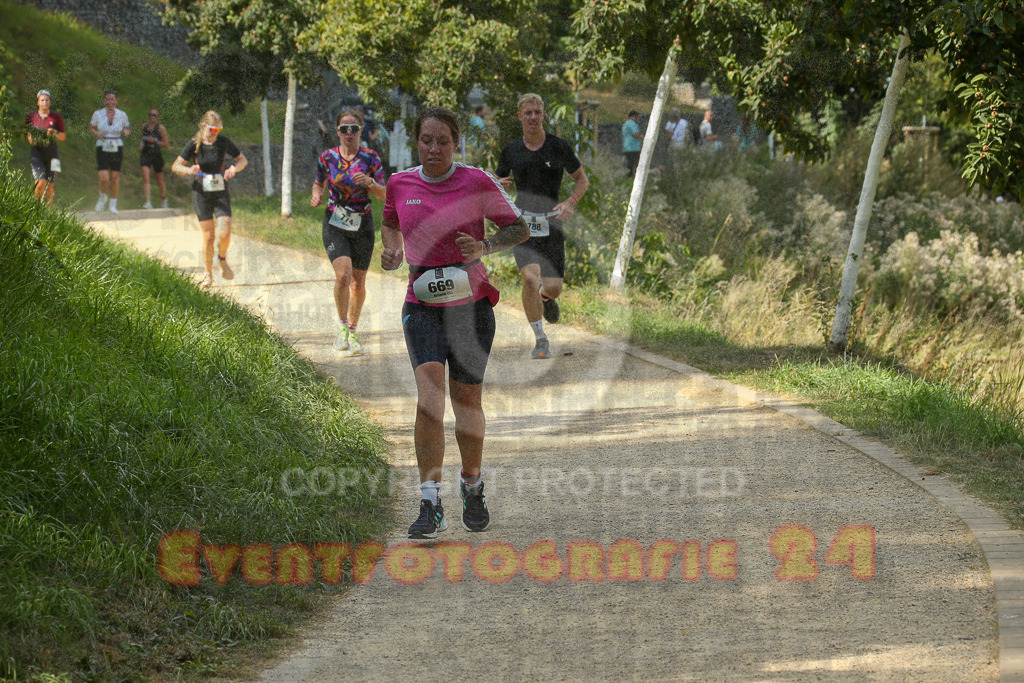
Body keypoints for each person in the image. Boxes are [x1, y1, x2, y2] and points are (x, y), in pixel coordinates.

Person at [380, 106, 528, 539]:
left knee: (467, 402)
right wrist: (390, 251)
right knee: (429, 398)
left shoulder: (476, 181)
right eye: (426, 140)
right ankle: (429, 502)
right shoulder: (399, 183)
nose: (433, 149)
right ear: (416, 142)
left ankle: (473, 485)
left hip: (472, 307)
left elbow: (519, 229)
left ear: (456, 142)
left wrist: (484, 246)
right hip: (421, 303)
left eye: (442, 141)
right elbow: (389, 224)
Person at [495, 93, 589, 360]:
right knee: (529, 278)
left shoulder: (558, 147)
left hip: (552, 223)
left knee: (553, 287)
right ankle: (540, 339)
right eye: (528, 113)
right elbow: (497, 182)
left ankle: (547, 300)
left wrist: (570, 202)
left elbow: (582, 180)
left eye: (538, 112)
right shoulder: (511, 149)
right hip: (522, 223)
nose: (533, 117)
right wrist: (497, 185)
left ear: (544, 114)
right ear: (520, 116)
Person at [310, 109, 387, 356]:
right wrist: (316, 193)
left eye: (354, 128)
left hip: (362, 223)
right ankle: (342, 327)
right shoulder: (328, 157)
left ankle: (353, 330)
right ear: (337, 131)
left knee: (358, 281)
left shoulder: (370, 157)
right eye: (345, 129)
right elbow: (318, 181)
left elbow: (384, 193)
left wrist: (371, 183)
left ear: (361, 129)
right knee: (343, 275)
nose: (349, 133)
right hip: (335, 222)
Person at [171, 111, 247, 288]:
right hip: (201, 193)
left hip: (220, 190)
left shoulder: (224, 142)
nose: (215, 133)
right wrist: (189, 170)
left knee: (225, 231)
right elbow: (176, 165)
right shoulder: (194, 145)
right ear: (204, 127)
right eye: (213, 129)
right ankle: (208, 274)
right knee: (209, 236)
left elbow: (242, 160)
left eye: (218, 130)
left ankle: (222, 259)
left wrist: (234, 169)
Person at [89, 90, 131, 214]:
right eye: (108, 99)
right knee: (104, 177)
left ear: (116, 101)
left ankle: (113, 205)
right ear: (104, 101)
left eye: (112, 99)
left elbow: (127, 128)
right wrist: (97, 133)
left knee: (114, 177)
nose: (110, 101)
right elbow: (91, 128)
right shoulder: (97, 114)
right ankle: (102, 198)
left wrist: (126, 132)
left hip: (117, 145)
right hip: (102, 145)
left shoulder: (122, 114)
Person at [25, 89, 66, 205]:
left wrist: (55, 133)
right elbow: (29, 138)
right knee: (40, 183)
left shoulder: (56, 117)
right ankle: (36, 209)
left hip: (53, 156)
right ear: (38, 102)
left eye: (47, 100)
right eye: (42, 100)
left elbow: (63, 136)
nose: (45, 103)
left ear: (50, 102)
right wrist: (35, 138)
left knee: (50, 186)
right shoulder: (31, 117)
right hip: (37, 155)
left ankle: (47, 213)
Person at [139, 108, 170, 209]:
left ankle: (164, 198)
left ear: (158, 117)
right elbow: (142, 138)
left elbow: (166, 144)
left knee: (159, 180)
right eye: (151, 115)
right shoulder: (144, 127)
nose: (152, 117)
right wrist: (140, 146)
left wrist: (155, 141)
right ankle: (148, 201)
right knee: (146, 178)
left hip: (156, 154)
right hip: (145, 154)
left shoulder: (161, 128)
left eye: (154, 115)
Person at [621, 109, 644, 177]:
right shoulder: (632, 123)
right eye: (637, 117)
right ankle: (634, 178)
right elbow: (635, 134)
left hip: (626, 147)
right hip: (633, 147)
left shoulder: (625, 124)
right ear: (633, 116)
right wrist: (643, 137)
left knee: (629, 165)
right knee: (636, 164)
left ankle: (629, 178)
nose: (637, 119)